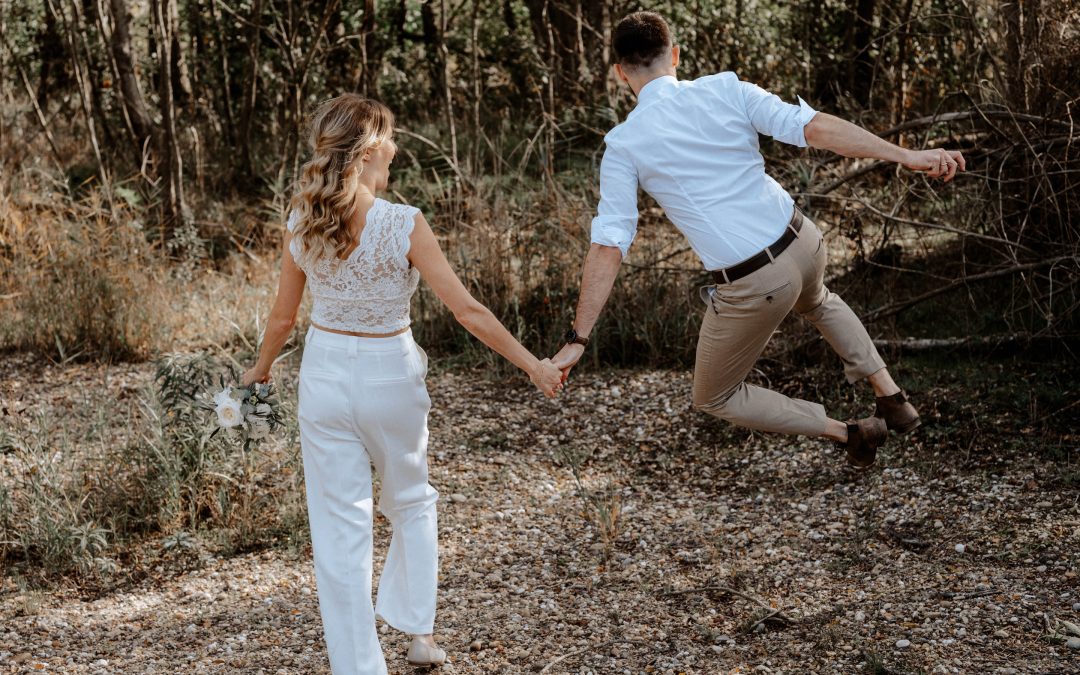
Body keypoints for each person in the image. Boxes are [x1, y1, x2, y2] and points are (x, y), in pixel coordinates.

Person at [551, 11, 966, 467]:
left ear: (619, 72)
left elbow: (609, 244)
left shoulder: (624, 144)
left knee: (714, 395)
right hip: (802, 240)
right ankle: (892, 396)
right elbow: (814, 128)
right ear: (675, 55)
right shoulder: (727, 88)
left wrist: (579, 338)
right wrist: (907, 155)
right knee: (819, 300)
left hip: (756, 281)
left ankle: (850, 433)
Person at [241, 94, 563, 674]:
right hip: (388, 372)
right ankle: (419, 632)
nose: (396, 149)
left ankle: (359, 667)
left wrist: (260, 369)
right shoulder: (402, 222)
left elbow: (283, 319)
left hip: (323, 374)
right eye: (389, 139)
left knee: (340, 528)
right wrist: (533, 366)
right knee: (412, 501)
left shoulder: (302, 219)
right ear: (368, 150)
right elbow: (467, 311)